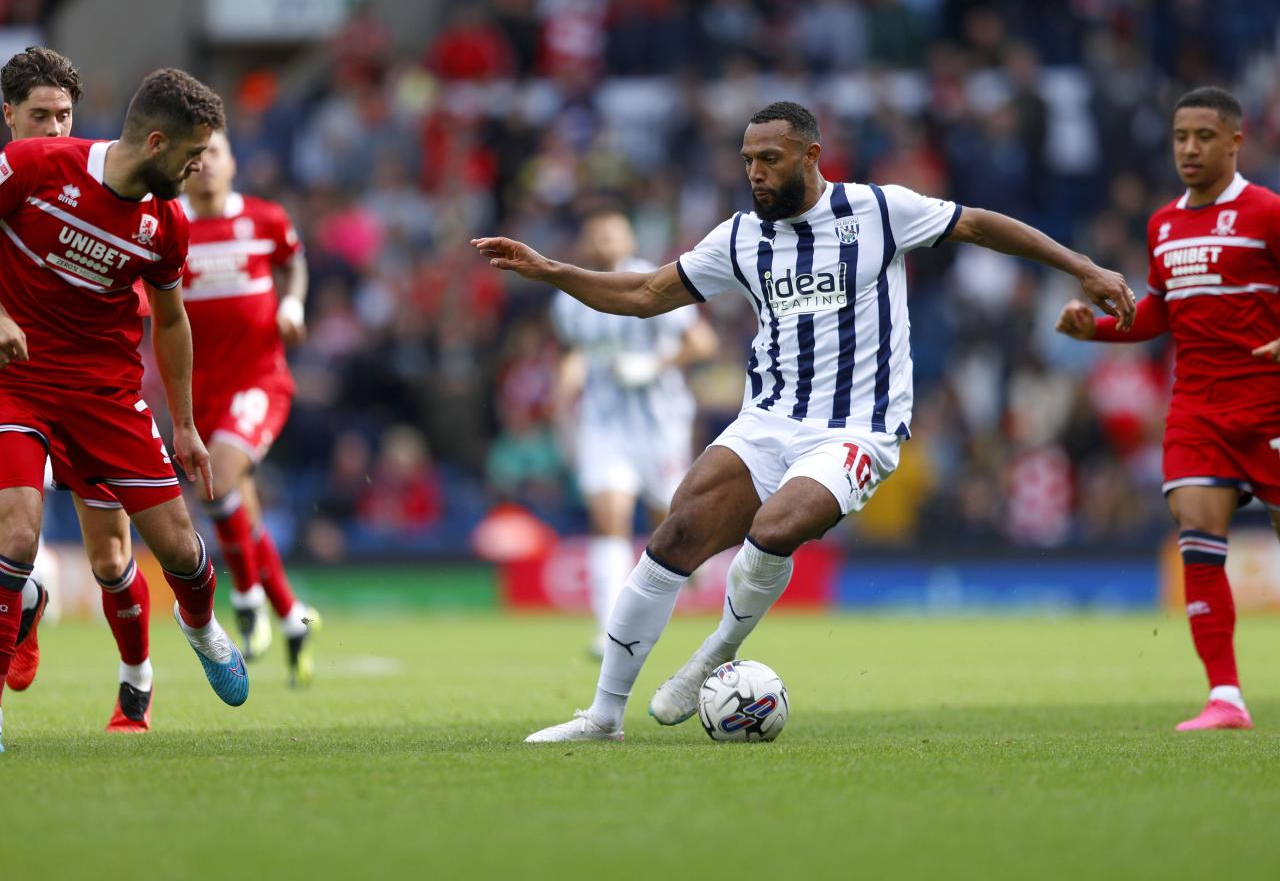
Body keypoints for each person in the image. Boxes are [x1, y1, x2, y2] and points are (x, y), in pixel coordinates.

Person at [473, 101, 1136, 742]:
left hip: (858, 428)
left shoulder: (877, 210)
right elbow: (647, 293)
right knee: (674, 535)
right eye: (747, 160)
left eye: (770, 158)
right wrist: (551, 270)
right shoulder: (738, 237)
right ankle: (602, 717)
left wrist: (1082, 268)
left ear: (811, 156)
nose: (755, 172)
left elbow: (981, 225)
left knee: (773, 529)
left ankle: (717, 650)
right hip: (767, 421)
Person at [0, 68, 251, 751]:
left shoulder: (165, 222)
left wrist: (189, 425)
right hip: (17, 383)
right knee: (16, 537)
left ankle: (199, 627)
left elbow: (171, 322)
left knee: (174, 549)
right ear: (159, 141)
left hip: (106, 396)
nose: (201, 169)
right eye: (194, 154)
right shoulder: (32, 167)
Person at [1056, 86, 1280, 731]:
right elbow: (1157, 312)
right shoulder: (1163, 224)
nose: (1189, 148)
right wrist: (1092, 329)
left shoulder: (1265, 212)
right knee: (1198, 540)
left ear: (1235, 141)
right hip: (1198, 410)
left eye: (1204, 137)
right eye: (1181, 137)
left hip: (1269, 408)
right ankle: (1226, 698)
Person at [1, 45, 155, 733]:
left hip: (91, 389)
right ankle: (20, 593)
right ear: (9, 117)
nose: (56, 129)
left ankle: (136, 679)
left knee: (111, 556)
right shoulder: (11, 182)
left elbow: (145, 300)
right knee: (16, 530)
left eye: (65, 115)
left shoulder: (103, 188)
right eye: (41, 116)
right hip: (16, 386)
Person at [181, 129, 319, 685]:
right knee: (241, 511)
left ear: (233, 162)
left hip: (260, 379)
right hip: (199, 389)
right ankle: (293, 619)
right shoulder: (171, 223)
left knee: (216, 482)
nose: (206, 164)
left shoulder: (264, 219)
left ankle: (244, 599)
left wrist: (292, 302)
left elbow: (295, 261)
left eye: (214, 152)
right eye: (196, 155)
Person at [550, 208, 717, 657]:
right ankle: (610, 631)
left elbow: (702, 343)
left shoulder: (653, 281)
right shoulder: (570, 298)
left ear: (629, 240)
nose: (605, 241)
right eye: (596, 234)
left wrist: (653, 365)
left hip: (659, 422)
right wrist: (564, 391)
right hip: (604, 425)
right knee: (608, 517)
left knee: (667, 522)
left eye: (613, 232)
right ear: (587, 242)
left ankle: (690, 556)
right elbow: (576, 354)